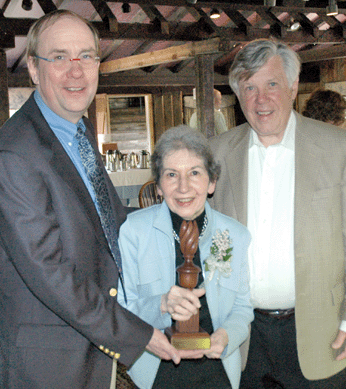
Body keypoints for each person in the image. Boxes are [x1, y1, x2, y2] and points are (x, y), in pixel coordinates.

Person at [0, 10, 191, 389]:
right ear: (35, 70)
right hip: (48, 366)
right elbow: (52, 274)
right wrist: (139, 333)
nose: (77, 71)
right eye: (59, 57)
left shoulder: (79, 129)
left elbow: (108, 225)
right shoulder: (15, 153)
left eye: (86, 56)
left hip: (89, 351)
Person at [209, 38, 346, 388]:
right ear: (238, 96)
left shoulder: (337, 148)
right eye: (249, 88)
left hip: (322, 332)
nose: (261, 99)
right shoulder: (218, 154)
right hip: (242, 338)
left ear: (293, 85)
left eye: (271, 84)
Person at [117, 125, 254, 389]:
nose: (183, 187)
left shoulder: (235, 235)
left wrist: (224, 338)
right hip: (155, 372)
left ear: (212, 182)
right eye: (171, 174)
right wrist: (161, 303)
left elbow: (242, 308)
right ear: (158, 185)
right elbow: (122, 308)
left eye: (194, 173)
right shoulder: (133, 232)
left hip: (218, 371)